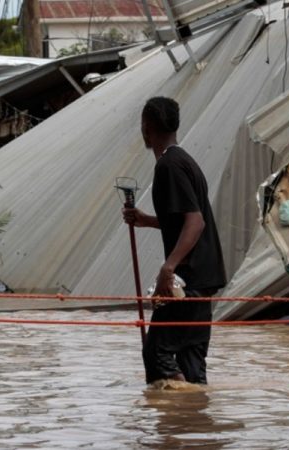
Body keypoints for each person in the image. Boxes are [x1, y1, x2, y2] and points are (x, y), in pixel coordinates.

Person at [123, 97, 227, 385]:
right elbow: (184, 220)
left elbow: (196, 222)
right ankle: (193, 421)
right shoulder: (185, 161)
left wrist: (168, 269)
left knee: (156, 354)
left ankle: (178, 413)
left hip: (187, 281)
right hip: (202, 282)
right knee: (192, 364)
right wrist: (147, 220)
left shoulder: (169, 165)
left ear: (146, 128)